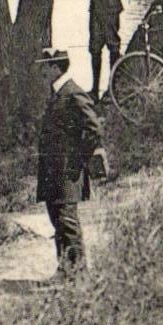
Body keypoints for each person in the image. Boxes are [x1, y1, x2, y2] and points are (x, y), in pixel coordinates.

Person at [35, 48, 108, 273]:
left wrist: (79, 158)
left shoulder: (72, 93)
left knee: (67, 221)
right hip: (55, 174)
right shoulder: (58, 93)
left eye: (45, 67)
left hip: (67, 172)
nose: (42, 72)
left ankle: (79, 273)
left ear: (56, 68)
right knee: (58, 219)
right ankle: (66, 269)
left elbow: (94, 129)